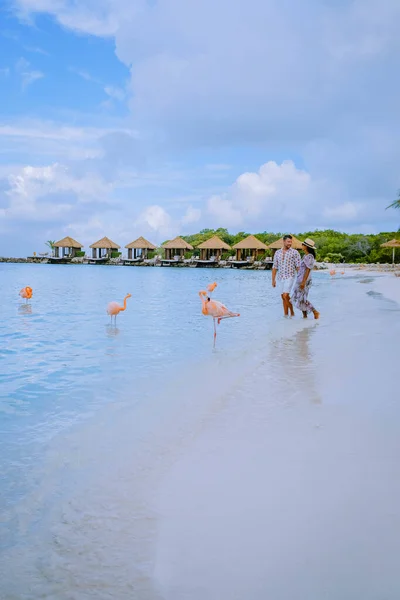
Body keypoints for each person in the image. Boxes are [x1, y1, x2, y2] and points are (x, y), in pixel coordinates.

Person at [272, 234, 301, 317]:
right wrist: (273, 280)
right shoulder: (277, 253)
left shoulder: (295, 252)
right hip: (280, 277)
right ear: (283, 241)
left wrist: (300, 279)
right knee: (282, 297)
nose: (290, 243)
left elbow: (298, 267)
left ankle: (292, 312)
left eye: (291, 242)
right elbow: (274, 267)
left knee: (285, 295)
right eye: (288, 242)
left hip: (290, 276)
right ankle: (285, 315)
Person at [291, 238, 320, 319]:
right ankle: (305, 316)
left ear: (306, 247)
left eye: (303, 245)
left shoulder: (309, 256)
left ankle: (315, 311)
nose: (302, 246)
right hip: (300, 279)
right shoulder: (306, 256)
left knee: (302, 298)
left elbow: (308, 270)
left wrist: (303, 282)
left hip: (304, 280)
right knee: (300, 298)